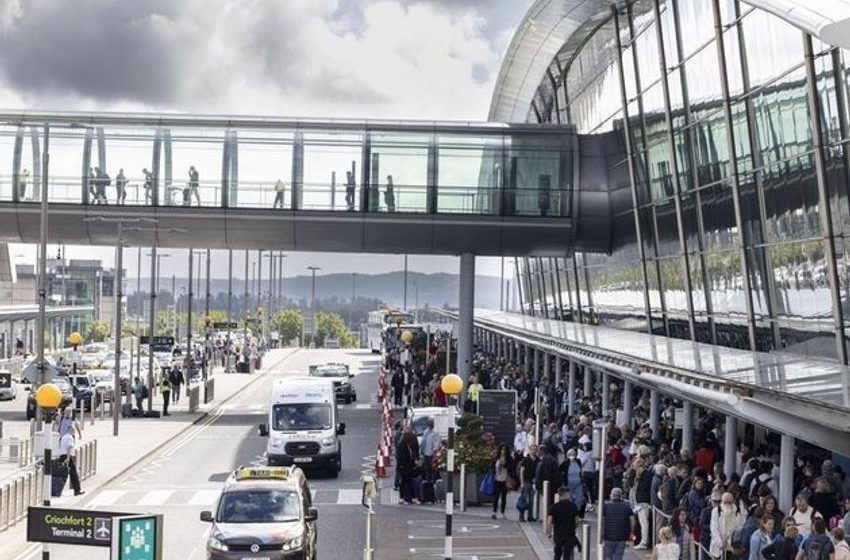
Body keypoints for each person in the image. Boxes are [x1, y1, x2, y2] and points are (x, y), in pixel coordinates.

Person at [601, 487, 635, 560]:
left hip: (608, 535)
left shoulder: (606, 506)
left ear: (611, 495)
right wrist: (631, 532)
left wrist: (602, 532)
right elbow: (632, 520)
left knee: (608, 556)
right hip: (622, 536)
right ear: (621, 496)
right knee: (618, 556)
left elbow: (602, 520)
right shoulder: (627, 506)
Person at [710, 491, 746, 559]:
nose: (727, 504)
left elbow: (740, 527)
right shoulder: (716, 511)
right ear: (722, 501)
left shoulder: (737, 511)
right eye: (725, 502)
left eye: (729, 502)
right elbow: (714, 528)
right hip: (719, 548)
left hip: (732, 548)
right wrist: (719, 542)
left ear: (733, 502)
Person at [548, 486, 580, 560]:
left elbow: (549, 521)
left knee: (557, 554)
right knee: (567, 555)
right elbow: (577, 521)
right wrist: (574, 527)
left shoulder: (554, 507)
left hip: (558, 534)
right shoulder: (573, 506)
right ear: (566, 494)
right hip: (569, 534)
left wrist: (549, 533)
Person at [396, 427, 419, 505]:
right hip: (404, 468)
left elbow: (412, 455)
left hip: (408, 467)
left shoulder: (408, 445)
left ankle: (411, 498)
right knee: (404, 483)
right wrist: (403, 466)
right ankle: (403, 498)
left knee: (409, 482)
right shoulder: (402, 446)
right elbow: (400, 458)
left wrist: (414, 462)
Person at [58, 430, 84, 496]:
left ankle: (58, 490)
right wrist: (68, 457)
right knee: (74, 473)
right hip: (67, 456)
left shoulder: (64, 437)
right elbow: (69, 447)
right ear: (72, 432)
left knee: (61, 474)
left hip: (61, 456)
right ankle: (77, 490)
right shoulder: (70, 437)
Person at [518, 443, 540, 522]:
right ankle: (521, 516)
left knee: (531, 500)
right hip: (526, 482)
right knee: (524, 499)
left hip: (533, 483)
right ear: (530, 450)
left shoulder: (538, 460)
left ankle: (530, 516)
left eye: (535, 449)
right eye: (532, 449)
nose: (533, 451)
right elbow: (522, 471)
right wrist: (522, 483)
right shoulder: (526, 459)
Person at [563, 448, 586, 515]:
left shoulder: (578, 461)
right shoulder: (566, 462)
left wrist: (582, 481)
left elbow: (581, 471)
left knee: (579, 499)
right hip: (569, 483)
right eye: (570, 454)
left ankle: (577, 513)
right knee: (570, 499)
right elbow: (560, 470)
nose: (572, 456)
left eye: (573, 454)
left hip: (578, 483)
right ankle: (571, 513)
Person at [492, 443, 511, 520]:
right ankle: (494, 512)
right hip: (497, 479)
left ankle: (502, 513)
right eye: (502, 449)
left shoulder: (508, 459)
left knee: (504, 497)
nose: (503, 451)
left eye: (504, 449)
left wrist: (509, 480)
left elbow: (510, 469)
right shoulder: (496, 458)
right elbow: (492, 468)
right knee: (496, 497)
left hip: (504, 480)